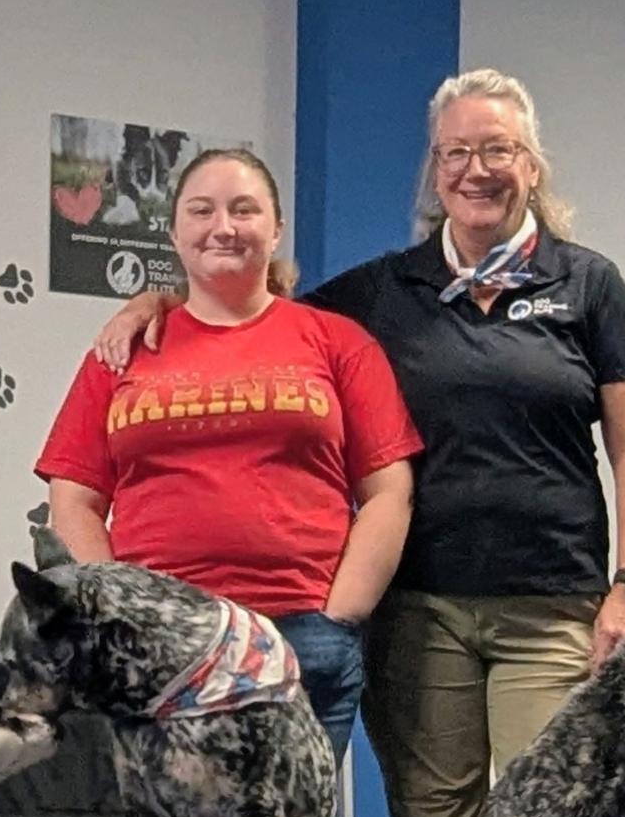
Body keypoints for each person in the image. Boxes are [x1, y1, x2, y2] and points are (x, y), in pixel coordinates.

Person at [95, 71, 625, 817]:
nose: (477, 169)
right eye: (456, 152)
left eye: (497, 150)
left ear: (531, 164)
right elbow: (246, 309)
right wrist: (157, 306)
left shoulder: (588, 284)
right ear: (433, 172)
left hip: (554, 604)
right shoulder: (376, 293)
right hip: (421, 611)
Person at [36, 147, 421, 765]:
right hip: (159, 643)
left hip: (297, 635)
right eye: (201, 210)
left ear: (276, 229)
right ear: (173, 232)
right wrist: (121, 615)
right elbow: (74, 499)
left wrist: (339, 617)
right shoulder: (121, 351)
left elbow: (389, 491)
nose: (223, 226)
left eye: (244, 209)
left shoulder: (337, 342)